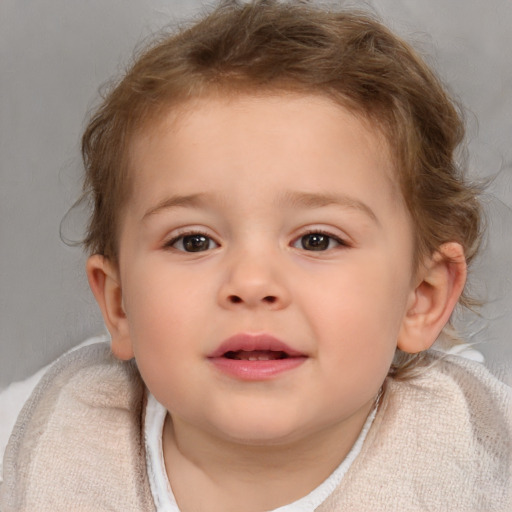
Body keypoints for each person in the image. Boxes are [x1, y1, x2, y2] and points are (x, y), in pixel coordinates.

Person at [1, 1, 510, 510]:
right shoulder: (33, 439)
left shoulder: (476, 467)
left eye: (317, 240)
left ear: (421, 298)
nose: (250, 282)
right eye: (193, 241)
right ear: (118, 305)